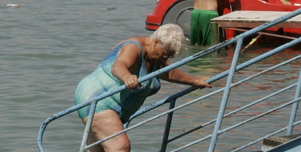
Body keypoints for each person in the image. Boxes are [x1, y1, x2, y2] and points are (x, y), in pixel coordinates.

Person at [74, 24, 212, 152]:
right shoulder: (133, 48)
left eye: (168, 57)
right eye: (164, 55)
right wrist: (127, 77)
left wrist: (195, 81)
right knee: (121, 146)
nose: (164, 60)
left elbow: (169, 72)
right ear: (156, 42)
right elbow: (118, 67)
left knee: (99, 150)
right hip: (97, 99)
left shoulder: (155, 57)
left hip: (112, 106)